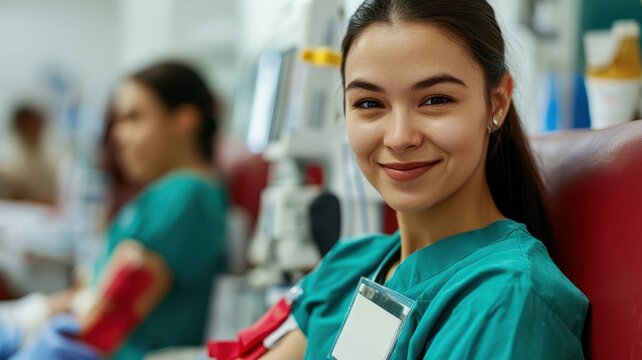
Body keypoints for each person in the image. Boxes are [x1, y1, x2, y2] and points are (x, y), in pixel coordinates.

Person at [260, 0, 588, 358]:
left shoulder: (505, 300)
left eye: (435, 99)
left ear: (497, 102)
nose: (399, 137)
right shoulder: (349, 268)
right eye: (369, 103)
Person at [8, 61, 229, 360]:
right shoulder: (162, 194)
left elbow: (106, 322)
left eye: (133, 118)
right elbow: (92, 291)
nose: (116, 136)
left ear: (184, 119)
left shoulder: (187, 195)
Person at [0, 104, 58, 204]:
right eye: (27, 124)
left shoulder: (52, 155)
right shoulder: (8, 158)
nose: (31, 128)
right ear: (19, 126)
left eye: (34, 124)